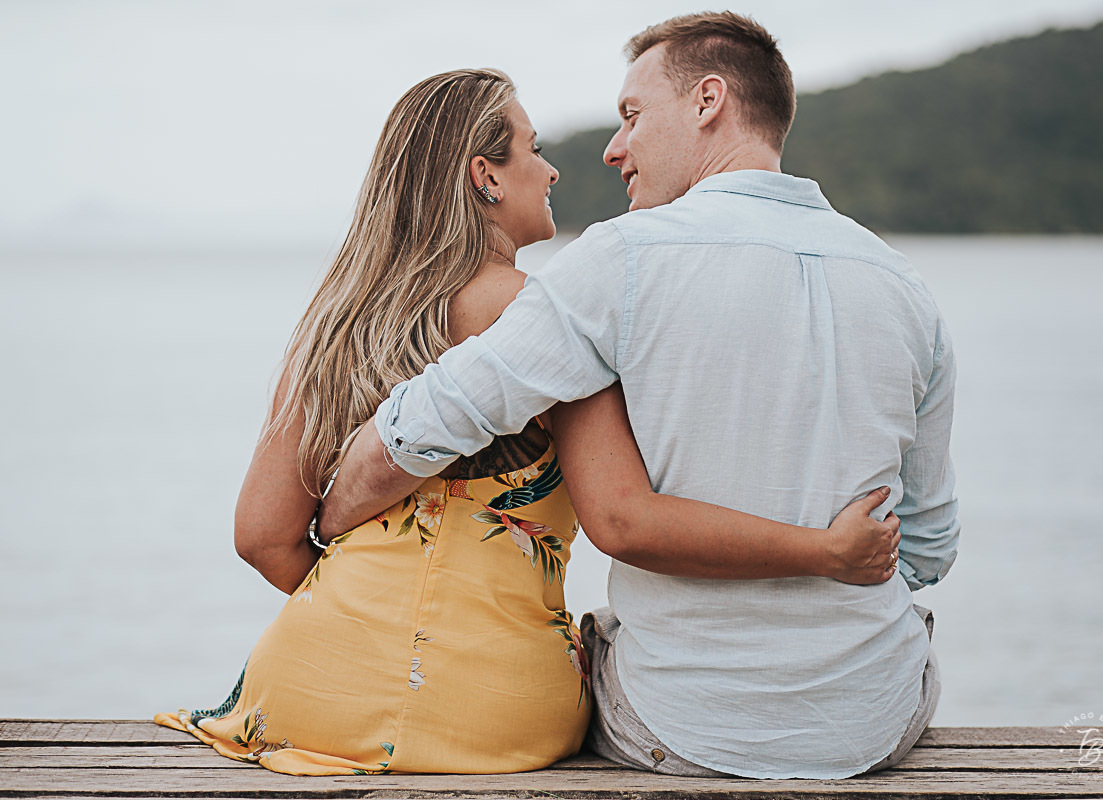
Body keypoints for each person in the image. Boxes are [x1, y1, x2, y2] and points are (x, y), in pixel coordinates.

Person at [155, 67, 902, 777]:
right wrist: (827, 548)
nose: (551, 171)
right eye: (534, 150)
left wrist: (367, 631)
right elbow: (623, 514)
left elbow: (260, 535)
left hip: (308, 686)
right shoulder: (545, 321)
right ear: (485, 176)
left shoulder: (334, 326)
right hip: (501, 709)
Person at [319, 12, 960, 781]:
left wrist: (329, 523)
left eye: (631, 115)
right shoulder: (908, 291)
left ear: (708, 101)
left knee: (594, 646)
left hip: (680, 727)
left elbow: (434, 418)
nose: (612, 147)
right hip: (873, 726)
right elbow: (925, 551)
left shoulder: (623, 259)